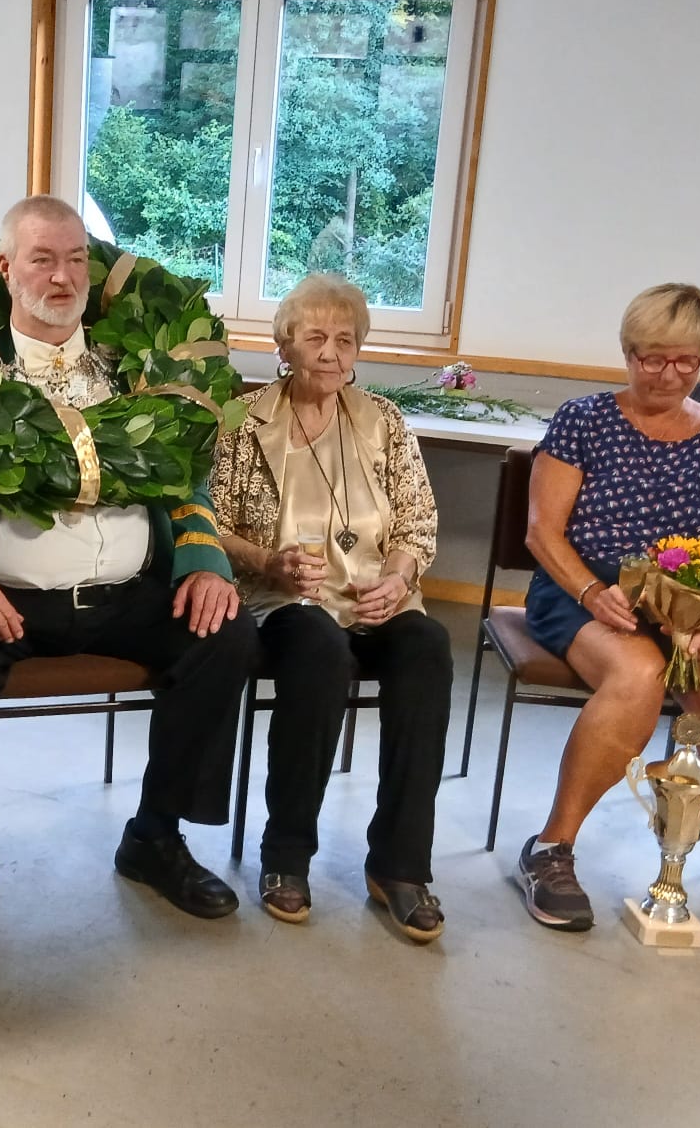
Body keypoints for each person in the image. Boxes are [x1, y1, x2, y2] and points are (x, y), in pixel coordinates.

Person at [0, 195, 257, 938]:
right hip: (3, 601)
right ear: (6, 268)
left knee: (226, 636)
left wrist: (206, 562)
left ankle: (156, 835)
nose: (62, 276)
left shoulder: (134, 370)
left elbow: (186, 478)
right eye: (43, 259)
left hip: (128, 595)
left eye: (76, 258)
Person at [513, 283, 700, 945]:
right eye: (652, 359)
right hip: (582, 589)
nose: (668, 374)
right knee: (637, 675)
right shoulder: (585, 418)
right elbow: (542, 533)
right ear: (629, 353)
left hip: (684, 597)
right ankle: (551, 849)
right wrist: (589, 593)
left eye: (685, 361)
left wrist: (690, 614)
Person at [207, 273, 451, 942]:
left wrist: (399, 577)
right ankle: (286, 856)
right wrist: (267, 563)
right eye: (314, 337)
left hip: (377, 596)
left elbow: (419, 525)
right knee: (318, 649)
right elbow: (210, 525)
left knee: (428, 649)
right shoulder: (245, 421)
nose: (332, 352)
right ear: (284, 347)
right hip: (285, 598)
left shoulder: (385, 423)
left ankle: (400, 867)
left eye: (346, 340)